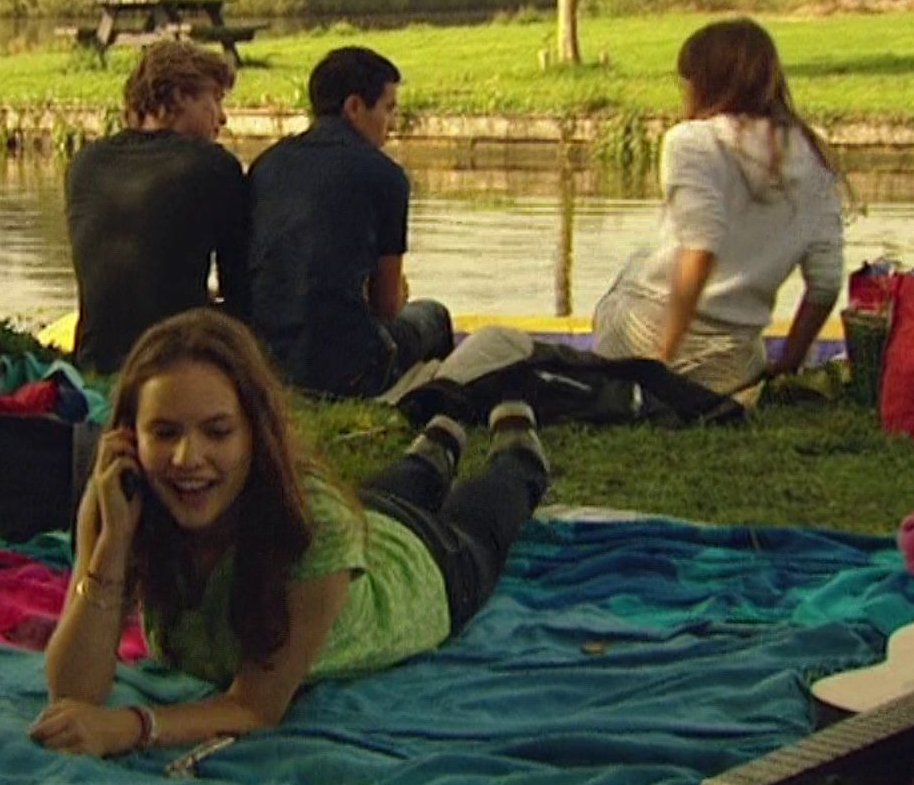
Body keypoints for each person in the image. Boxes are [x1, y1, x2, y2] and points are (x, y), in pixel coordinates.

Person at [30, 309, 549, 755]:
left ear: (255, 434)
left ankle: (518, 452)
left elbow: (254, 707)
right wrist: (109, 546)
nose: (187, 458)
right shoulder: (122, 500)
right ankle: (436, 447)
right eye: (165, 433)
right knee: (397, 485)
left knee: (491, 506)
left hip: (425, 569)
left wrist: (130, 727)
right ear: (129, 438)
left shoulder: (314, 523)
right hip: (364, 518)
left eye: (217, 431)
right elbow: (73, 694)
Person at [592, 18, 844, 395]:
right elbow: (825, 282)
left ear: (705, 84)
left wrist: (663, 363)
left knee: (628, 278)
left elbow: (700, 250)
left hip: (648, 338)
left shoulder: (690, 141)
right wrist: (787, 366)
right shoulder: (812, 153)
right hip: (732, 365)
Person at [245, 47, 452, 397]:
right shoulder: (385, 175)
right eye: (388, 109)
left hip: (267, 361)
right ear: (354, 107)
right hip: (350, 369)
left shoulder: (265, 165)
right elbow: (386, 306)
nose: (391, 124)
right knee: (433, 316)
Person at [65, 42, 250, 375]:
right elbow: (238, 284)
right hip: (176, 361)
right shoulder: (212, 165)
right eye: (215, 99)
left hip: (94, 359)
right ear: (179, 97)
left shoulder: (85, 162)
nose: (222, 117)